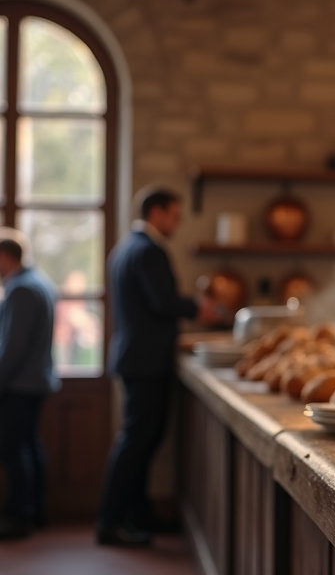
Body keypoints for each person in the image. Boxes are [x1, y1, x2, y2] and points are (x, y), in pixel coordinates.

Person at [97, 186, 219, 547]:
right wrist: (199, 308)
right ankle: (110, 522)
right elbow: (162, 301)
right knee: (136, 442)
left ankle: (138, 515)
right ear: (157, 213)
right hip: (145, 361)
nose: (177, 224)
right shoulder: (149, 250)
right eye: (175, 216)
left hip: (136, 357)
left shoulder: (127, 247)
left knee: (144, 441)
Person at [0, 232, 59, 539]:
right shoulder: (40, 282)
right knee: (29, 445)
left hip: (21, 384)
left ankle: (18, 516)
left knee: (13, 448)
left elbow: (13, 347)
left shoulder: (21, 289)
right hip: (37, 380)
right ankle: (36, 510)